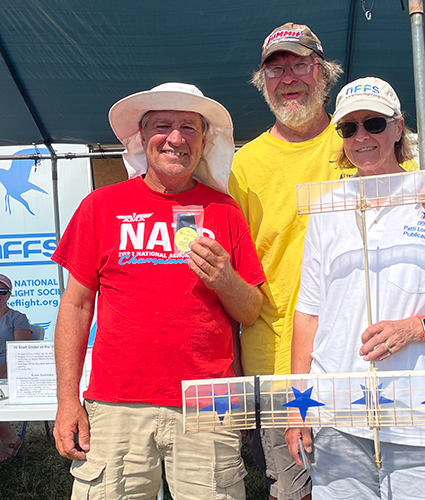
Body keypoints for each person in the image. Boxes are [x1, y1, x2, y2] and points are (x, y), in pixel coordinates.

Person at [228, 22, 425, 500]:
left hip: (372, 360)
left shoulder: (357, 132)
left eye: (300, 64)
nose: (289, 77)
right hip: (280, 359)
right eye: (276, 69)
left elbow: (411, 175)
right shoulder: (245, 164)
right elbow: (240, 271)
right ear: (262, 81)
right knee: (298, 490)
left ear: (324, 73)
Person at [51, 83, 265, 500]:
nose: (176, 137)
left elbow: (251, 310)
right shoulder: (101, 206)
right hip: (116, 404)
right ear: (141, 136)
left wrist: (225, 279)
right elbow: (76, 307)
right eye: (162, 125)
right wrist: (66, 402)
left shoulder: (225, 211)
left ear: (204, 141)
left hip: (207, 403)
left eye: (189, 127)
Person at [284, 77, 425, 500]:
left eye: (374, 123)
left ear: (398, 128)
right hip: (338, 413)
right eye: (349, 128)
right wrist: (297, 406)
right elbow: (309, 313)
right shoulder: (326, 209)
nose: (362, 137)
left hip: (420, 415)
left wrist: (415, 329)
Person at [0, 274, 32, 464]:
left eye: (2, 291)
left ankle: (10, 439)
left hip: (8, 371)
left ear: (9, 294)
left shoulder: (17, 318)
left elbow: (20, 353)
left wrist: (4, 369)